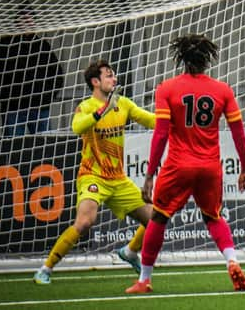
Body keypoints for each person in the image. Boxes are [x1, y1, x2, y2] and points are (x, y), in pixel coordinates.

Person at [125, 34, 245, 294]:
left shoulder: (167, 88)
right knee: (214, 216)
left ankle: (144, 280)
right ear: (207, 60)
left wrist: (150, 175)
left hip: (177, 166)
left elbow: (161, 134)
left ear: (181, 59)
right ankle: (232, 261)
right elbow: (238, 131)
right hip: (209, 167)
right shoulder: (222, 90)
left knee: (159, 218)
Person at [33, 59, 156, 284]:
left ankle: (129, 252)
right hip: (93, 176)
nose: (114, 79)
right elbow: (77, 127)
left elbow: (150, 120)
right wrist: (101, 112)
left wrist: (176, 121)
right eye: (109, 75)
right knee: (84, 222)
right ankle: (46, 268)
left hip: (118, 180)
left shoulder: (123, 104)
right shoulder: (87, 106)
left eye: (113, 74)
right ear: (95, 82)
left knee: (157, 220)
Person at [0, 4, 64, 136]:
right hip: (13, 108)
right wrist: (7, 93)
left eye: (29, 17)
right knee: (13, 149)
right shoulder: (3, 45)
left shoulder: (42, 46)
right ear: (16, 20)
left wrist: (46, 97)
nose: (26, 20)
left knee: (44, 149)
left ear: (34, 21)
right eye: (23, 17)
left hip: (39, 109)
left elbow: (58, 75)